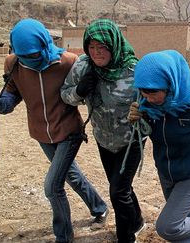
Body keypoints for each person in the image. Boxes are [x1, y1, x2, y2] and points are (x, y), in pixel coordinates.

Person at [0, 18, 109, 243]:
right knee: (71, 175)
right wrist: (2, 103)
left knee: (52, 187)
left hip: (69, 131)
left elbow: (86, 88)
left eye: (34, 55)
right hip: (41, 133)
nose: (30, 61)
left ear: (44, 44)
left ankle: (64, 237)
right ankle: (99, 207)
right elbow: (13, 92)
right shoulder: (13, 63)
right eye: (24, 57)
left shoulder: (68, 62)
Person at [128, 50, 190, 242]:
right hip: (167, 172)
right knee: (183, 222)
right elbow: (144, 132)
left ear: (170, 84)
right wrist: (137, 120)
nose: (147, 97)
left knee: (169, 226)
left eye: (153, 91)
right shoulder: (147, 106)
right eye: (143, 91)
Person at [60, 19, 145, 243]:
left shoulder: (135, 70)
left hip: (131, 141)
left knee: (118, 192)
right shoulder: (83, 66)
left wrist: (143, 115)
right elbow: (65, 94)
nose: (97, 53)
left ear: (114, 45)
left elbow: (155, 102)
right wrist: (79, 90)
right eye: (92, 47)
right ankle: (137, 221)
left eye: (102, 47)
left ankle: (126, 238)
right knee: (120, 188)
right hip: (103, 139)